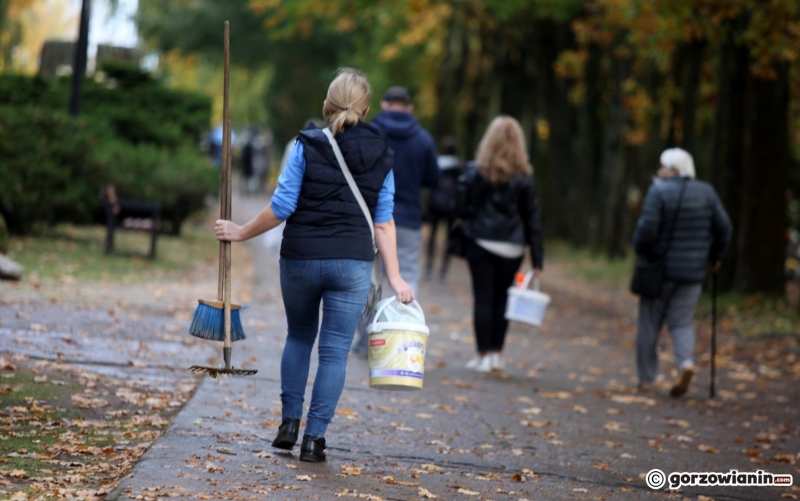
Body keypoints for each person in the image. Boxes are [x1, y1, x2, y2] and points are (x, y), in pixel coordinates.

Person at [214, 69, 414, 462]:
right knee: (335, 352)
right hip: (352, 266)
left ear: (328, 105)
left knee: (299, 337)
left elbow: (282, 207)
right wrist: (395, 277)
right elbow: (384, 221)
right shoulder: (383, 152)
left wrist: (240, 232)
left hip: (300, 260)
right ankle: (314, 440)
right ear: (367, 107)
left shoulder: (305, 145)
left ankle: (288, 424)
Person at [632, 147, 732, 397]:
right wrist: (715, 256)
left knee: (649, 324)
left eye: (663, 166)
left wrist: (642, 251)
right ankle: (685, 363)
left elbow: (646, 230)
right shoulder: (707, 192)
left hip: (659, 272)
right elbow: (724, 228)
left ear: (674, 170)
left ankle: (646, 380)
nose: (659, 171)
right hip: (692, 274)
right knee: (682, 322)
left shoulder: (658, 191)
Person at [459, 116, 543, 373]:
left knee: (482, 298)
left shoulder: (476, 172)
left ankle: (483, 355)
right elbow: (533, 220)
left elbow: (462, 207)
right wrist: (538, 259)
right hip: (512, 247)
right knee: (502, 300)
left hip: (482, 242)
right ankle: (496, 354)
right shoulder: (525, 179)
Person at [371, 86, 440, 295]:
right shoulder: (423, 139)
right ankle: (400, 326)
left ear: (384, 105)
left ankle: (369, 328)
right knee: (407, 274)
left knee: (371, 275)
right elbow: (433, 178)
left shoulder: (371, 134)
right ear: (409, 108)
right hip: (409, 217)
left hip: (374, 217)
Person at [424, 136, 463, 282]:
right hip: (451, 207)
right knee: (449, 238)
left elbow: (430, 181)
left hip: (435, 204)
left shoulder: (437, 162)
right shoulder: (459, 166)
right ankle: (443, 271)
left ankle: (429, 266)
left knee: (432, 236)